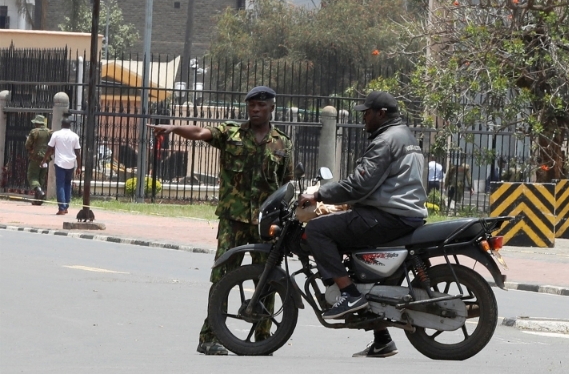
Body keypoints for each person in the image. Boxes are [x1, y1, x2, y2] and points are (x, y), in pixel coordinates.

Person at [148, 86, 294, 356]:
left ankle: (263, 339)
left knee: (268, 278)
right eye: (251, 105)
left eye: (261, 105)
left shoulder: (282, 143)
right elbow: (202, 133)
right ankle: (210, 337)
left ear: (272, 107)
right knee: (223, 277)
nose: (256, 109)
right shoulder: (231, 134)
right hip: (233, 219)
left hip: (266, 222)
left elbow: (287, 184)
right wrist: (175, 129)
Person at [298, 90, 427, 358]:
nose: (364, 118)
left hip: (390, 215)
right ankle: (382, 338)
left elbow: (360, 184)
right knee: (359, 270)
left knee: (318, 230)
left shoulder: (385, 140)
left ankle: (349, 294)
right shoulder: (405, 136)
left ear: (381, 114)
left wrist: (319, 194)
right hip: (402, 213)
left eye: (366, 112)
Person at [41, 116, 81, 215]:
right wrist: (79, 166)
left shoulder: (56, 134)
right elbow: (78, 152)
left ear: (62, 125)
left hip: (59, 163)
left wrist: (44, 160)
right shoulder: (75, 136)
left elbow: (49, 148)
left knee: (60, 185)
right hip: (71, 164)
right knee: (67, 184)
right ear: (70, 125)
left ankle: (61, 208)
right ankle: (66, 206)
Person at [25, 115, 51, 205]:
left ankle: (40, 192)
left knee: (32, 176)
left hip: (35, 157)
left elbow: (28, 144)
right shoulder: (49, 132)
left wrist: (30, 148)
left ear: (37, 123)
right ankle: (38, 200)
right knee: (41, 178)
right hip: (46, 158)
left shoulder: (34, 132)